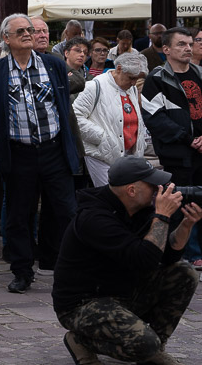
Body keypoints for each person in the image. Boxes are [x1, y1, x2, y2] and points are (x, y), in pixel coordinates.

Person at [53, 156, 201, 365]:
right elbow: (145, 260)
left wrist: (186, 224)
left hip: (123, 292)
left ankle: (155, 348)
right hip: (82, 303)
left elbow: (168, 257)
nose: (159, 189)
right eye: (152, 185)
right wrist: (162, 216)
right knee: (144, 344)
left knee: (184, 273)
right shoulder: (94, 218)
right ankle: (81, 340)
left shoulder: (139, 209)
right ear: (131, 190)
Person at [0, 13, 78, 293]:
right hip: (18, 153)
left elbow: (62, 105)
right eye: (21, 31)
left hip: (53, 150)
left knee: (66, 211)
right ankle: (22, 271)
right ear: (6, 39)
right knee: (18, 215)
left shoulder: (53, 65)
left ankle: (67, 267)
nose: (28, 34)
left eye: (30, 29)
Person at [141, 26, 202, 268]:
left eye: (190, 43)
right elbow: (155, 118)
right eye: (181, 44)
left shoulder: (199, 73)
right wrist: (189, 139)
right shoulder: (157, 79)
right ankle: (183, 255)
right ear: (165, 49)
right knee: (181, 205)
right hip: (177, 155)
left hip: (200, 152)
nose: (188, 48)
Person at [73, 52, 148, 187]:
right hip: (102, 155)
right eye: (131, 78)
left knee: (128, 198)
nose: (133, 83)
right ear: (119, 69)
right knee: (111, 196)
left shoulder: (132, 89)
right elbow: (75, 117)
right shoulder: (94, 86)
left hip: (129, 154)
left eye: (137, 79)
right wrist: (102, 137)